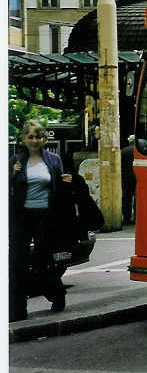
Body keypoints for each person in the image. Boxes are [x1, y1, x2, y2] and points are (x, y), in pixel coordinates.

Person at [9, 119, 73, 321]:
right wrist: (12, 175)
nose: (35, 140)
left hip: (46, 216)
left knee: (42, 262)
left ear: (44, 139)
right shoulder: (15, 161)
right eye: (30, 137)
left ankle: (56, 294)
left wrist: (67, 182)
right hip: (22, 216)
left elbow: (61, 189)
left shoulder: (53, 160)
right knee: (17, 263)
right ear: (23, 139)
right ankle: (18, 309)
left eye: (38, 137)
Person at [121, 135, 137, 224]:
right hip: (137, 177)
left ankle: (127, 217)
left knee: (126, 197)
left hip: (126, 177)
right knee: (137, 198)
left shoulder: (124, 151)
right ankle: (136, 217)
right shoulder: (139, 151)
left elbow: (121, 165)